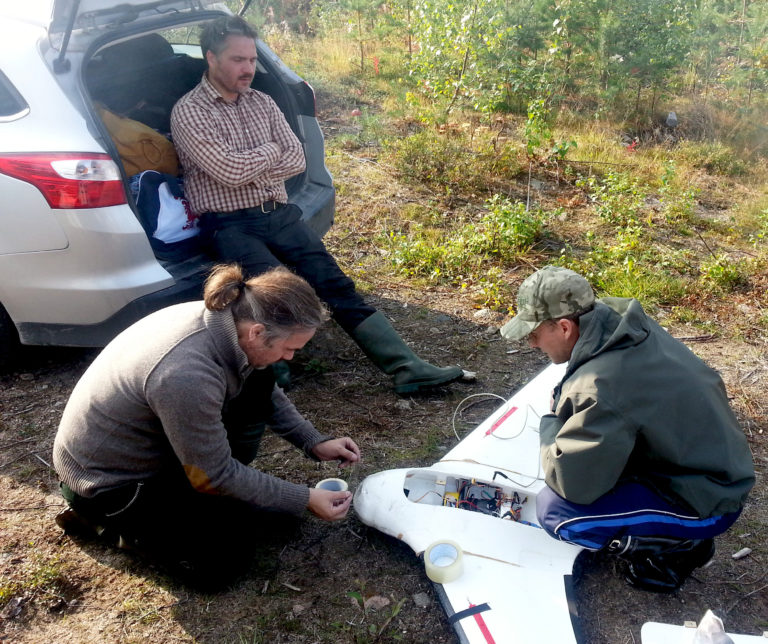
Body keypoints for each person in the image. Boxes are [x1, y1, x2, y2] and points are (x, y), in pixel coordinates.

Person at [170, 15, 468, 395]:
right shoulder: (189, 111)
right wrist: (268, 153)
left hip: (277, 212)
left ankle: (407, 368)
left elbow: (297, 158)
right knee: (271, 297)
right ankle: (270, 388)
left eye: (251, 59)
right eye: (237, 60)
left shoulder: (262, 101)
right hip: (229, 223)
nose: (248, 68)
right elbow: (228, 170)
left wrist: (255, 160)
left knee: (334, 282)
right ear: (211, 58)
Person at [53, 264, 361, 590]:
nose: (291, 357)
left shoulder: (229, 319)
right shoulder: (187, 374)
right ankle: (107, 524)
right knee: (220, 567)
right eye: (290, 348)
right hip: (114, 484)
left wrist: (312, 440)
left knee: (271, 514)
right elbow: (213, 475)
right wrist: (303, 497)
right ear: (257, 332)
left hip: (158, 447)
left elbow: (263, 390)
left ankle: (188, 510)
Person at [500, 266, 755, 592]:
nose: (532, 343)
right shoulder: (618, 322)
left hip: (710, 498)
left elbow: (572, 484)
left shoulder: (602, 385)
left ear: (564, 327)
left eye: (534, 334)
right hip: (712, 462)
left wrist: (552, 422)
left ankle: (681, 547)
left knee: (555, 513)